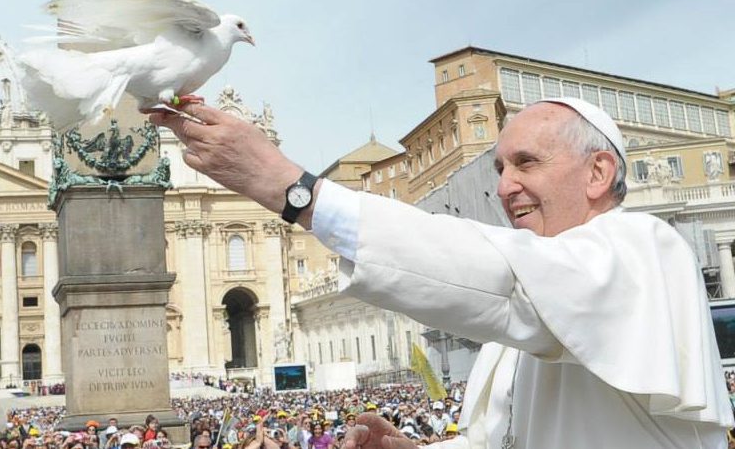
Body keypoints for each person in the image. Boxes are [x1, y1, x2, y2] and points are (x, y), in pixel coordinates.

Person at [150, 96, 733, 448]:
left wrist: (296, 193)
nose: (504, 186)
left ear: (598, 172)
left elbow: (503, 278)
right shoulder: (532, 322)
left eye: (527, 162)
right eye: (500, 167)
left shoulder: (642, 248)